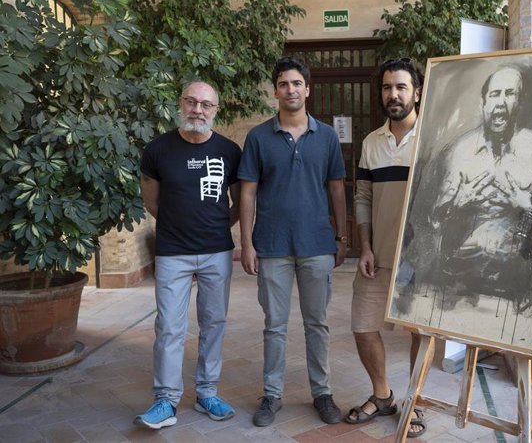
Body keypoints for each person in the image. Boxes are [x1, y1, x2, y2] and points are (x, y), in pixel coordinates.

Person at [238, 56, 347, 427]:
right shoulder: (258, 137)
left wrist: (342, 236)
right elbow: (247, 193)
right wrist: (248, 244)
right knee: (275, 325)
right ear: (275, 91)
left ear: (307, 89)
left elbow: (336, 188)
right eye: (284, 84)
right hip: (271, 246)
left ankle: (322, 393)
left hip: (317, 244)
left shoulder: (327, 136)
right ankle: (271, 395)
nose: (290, 90)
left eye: (296, 83)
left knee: (317, 323)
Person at [134, 81, 241, 429]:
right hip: (172, 252)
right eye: (192, 102)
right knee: (169, 327)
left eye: (205, 105)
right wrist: (179, 225)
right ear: (181, 103)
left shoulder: (229, 151)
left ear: (215, 110)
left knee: (214, 323)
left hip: (216, 252)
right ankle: (165, 401)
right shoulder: (158, 149)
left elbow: (239, 202)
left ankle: (207, 392)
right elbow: (152, 202)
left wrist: (214, 226)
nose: (198, 110)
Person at [405, 66, 532, 312]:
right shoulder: (459, 151)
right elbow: (435, 218)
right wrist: (459, 201)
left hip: (514, 277)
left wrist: (525, 205)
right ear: (484, 102)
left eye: (509, 94)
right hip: (461, 277)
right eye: (495, 94)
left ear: (520, 101)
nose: (501, 102)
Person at [344, 58, 427, 438]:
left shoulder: (433, 138)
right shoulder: (371, 143)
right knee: (363, 327)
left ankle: (416, 402)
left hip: (420, 260)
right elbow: (362, 197)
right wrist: (364, 246)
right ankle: (383, 397)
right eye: (387, 88)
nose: (393, 94)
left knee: (420, 335)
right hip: (376, 258)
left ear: (417, 92)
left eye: (401, 87)